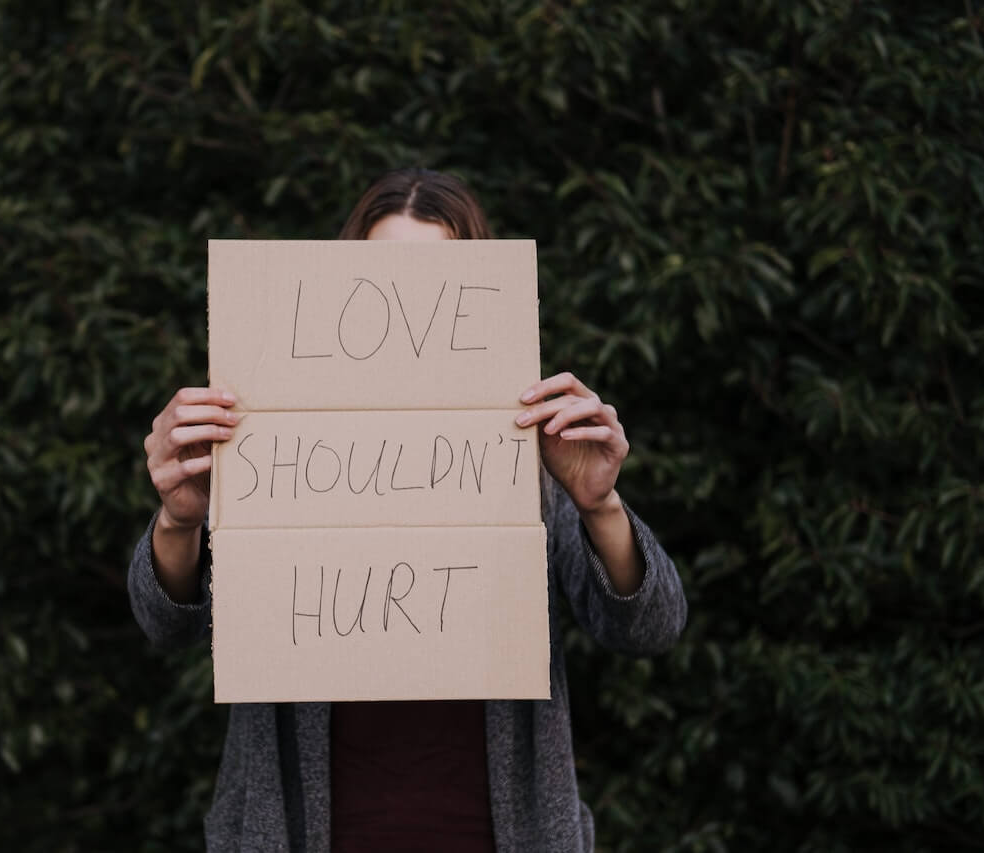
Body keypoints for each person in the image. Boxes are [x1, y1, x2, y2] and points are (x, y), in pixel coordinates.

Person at [130, 169, 687, 852]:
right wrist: (179, 520)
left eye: (436, 285)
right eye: (381, 277)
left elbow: (650, 626)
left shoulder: (526, 448)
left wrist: (598, 503)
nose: (404, 308)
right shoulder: (268, 438)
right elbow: (165, 622)